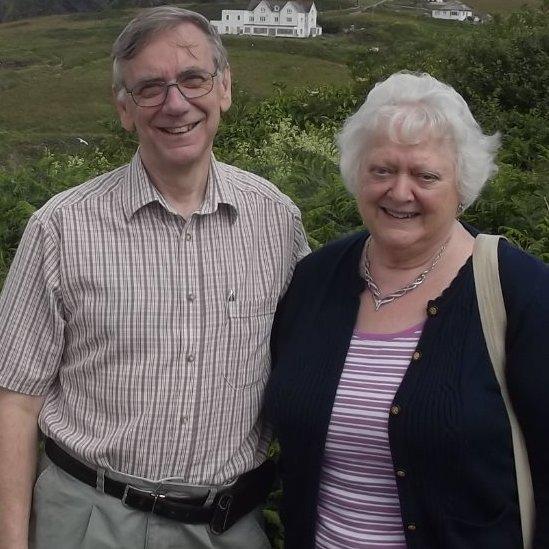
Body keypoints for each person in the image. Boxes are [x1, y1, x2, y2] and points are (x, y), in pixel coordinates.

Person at [0, 7, 308, 549]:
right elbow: (16, 403)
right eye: (149, 88)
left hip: (229, 526)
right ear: (124, 108)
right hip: (86, 522)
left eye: (193, 79)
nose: (175, 104)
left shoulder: (276, 220)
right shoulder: (60, 228)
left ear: (225, 88)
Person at [265, 71, 549, 548]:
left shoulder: (520, 291)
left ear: (462, 184)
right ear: (358, 173)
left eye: (425, 175)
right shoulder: (315, 280)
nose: (400, 192)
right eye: (382, 170)